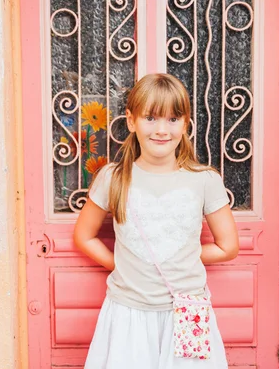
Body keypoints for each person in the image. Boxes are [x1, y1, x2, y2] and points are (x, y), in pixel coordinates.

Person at [74, 73, 238, 368]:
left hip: (189, 312)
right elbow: (84, 236)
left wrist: (186, 255)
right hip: (128, 313)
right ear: (131, 120)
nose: (162, 129)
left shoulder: (205, 180)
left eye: (173, 119)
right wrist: (121, 263)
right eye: (150, 118)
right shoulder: (113, 178)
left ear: (186, 123)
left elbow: (228, 246)